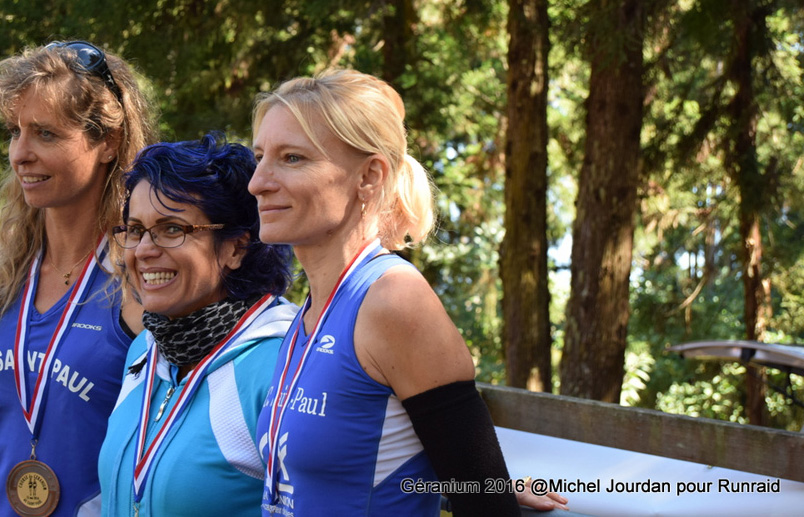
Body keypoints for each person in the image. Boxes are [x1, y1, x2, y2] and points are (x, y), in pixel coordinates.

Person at [250, 68, 570, 516]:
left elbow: (485, 501)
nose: (257, 182)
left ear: (369, 176)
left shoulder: (392, 298)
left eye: (292, 158)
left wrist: (487, 484)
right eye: (260, 156)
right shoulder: (311, 313)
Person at [0, 40, 158, 516]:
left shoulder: (138, 278)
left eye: (46, 135)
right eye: (15, 132)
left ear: (108, 143)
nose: (20, 154)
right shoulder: (14, 270)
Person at [97, 133, 297, 516]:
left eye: (173, 229)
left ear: (236, 247)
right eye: (135, 229)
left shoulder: (279, 364)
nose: (143, 250)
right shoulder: (147, 347)